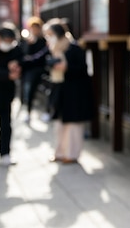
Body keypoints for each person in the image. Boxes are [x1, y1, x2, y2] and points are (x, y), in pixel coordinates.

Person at [43, 18, 93, 164]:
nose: (48, 37)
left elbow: (84, 69)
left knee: (73, 125)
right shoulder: (52, 47)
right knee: (59, 124)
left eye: (50, 33)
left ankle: (71, 155)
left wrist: (66, 68)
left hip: (74, 91)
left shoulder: (74, 47)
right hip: (59, 89)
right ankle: (59, 152)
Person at [0, 22, 22, 166]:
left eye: (11, 42)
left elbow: (23, 60)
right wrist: (6, 74)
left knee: (6, 124)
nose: (8, 44)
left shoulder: (15, 49)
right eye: (6, 41)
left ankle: (5, 154)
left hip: (5, 93)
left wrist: (16, 65)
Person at [19, 16, 49, 124]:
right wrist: (29, 44)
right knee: (29, 90)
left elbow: (44, 54)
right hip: (29, 69)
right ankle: (28, 112)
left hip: (40, 68)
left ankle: (47, 111)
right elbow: (23, 53)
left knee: (45, 90)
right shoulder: (28, 40)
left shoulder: (44, 40)